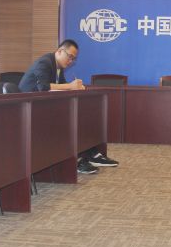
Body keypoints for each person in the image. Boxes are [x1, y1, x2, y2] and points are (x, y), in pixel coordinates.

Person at [18, 39, 119, 174]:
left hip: (43, 108)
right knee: (71, 121)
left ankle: (91, 155)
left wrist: (76, 88)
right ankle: (77, 160)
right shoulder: (45, 62)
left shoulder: (59, 68)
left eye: (73, 59)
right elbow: (43, 87)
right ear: (60, 51)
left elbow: (63, 88)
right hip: (28, 110)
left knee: (83, 116)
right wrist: (70, 86)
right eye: (70, 57)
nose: (71, 61)